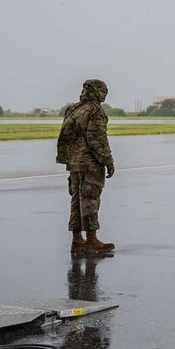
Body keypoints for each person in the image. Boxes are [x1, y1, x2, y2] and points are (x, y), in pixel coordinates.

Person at [57, 79, 116, 253]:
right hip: (90, 163)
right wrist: (108, 160)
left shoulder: (73, 109)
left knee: (76, 200)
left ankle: (77, 239)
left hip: (74, 163)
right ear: (98, 92)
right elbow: (97, 139)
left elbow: (66, 137)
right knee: (90, 200)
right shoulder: (95, 111)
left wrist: (68, 158)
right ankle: (91, 240)